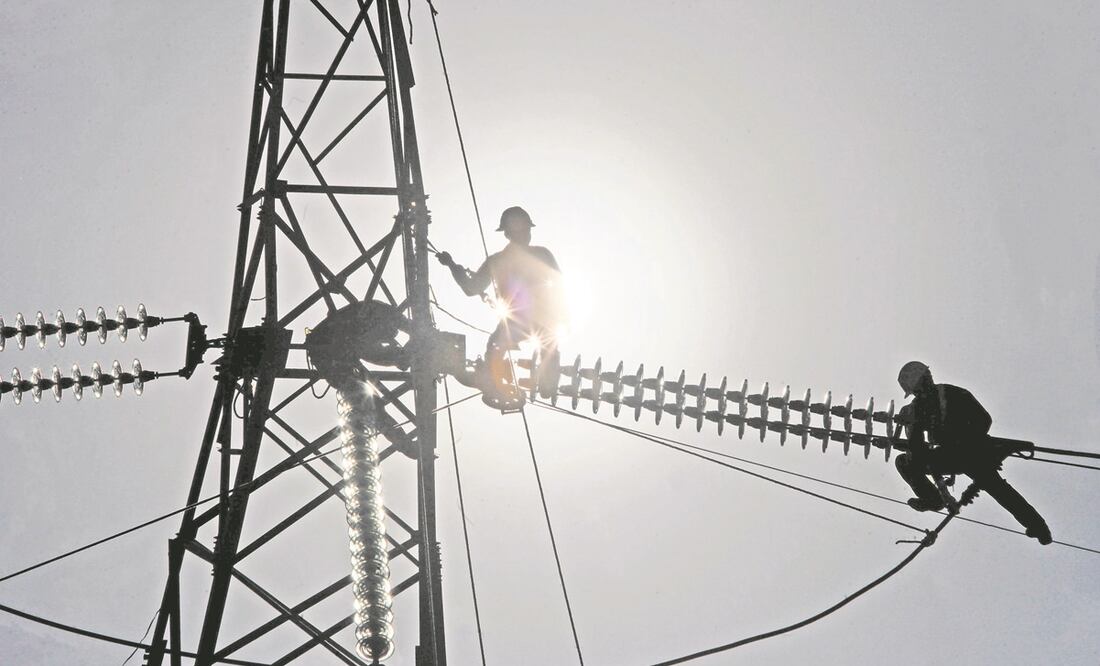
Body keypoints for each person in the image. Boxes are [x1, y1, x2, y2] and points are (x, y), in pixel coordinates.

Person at [894, 361, 1052, 545]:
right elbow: (918, 450)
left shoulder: (952, 394)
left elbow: (984, 420)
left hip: (972, 452)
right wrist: (910, 438)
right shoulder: (916, 409)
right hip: (952, 455)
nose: (920, 390)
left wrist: (964, 441)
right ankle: (933, 499)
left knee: (997, 488)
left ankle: (1039, 527)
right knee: (905, 461)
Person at [436, 206, 565, 404]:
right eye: (522, 230)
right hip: (528, 320)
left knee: (501, 345)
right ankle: (502, 381)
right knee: (503, 345)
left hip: (528, 320)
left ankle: (510, 380)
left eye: (527, 230)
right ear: (508, 233)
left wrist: (452, 266)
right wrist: (452, 266)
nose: (526, 234)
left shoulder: (508, 259)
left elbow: (472, 287)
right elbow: (472, 288)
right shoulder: (518, 258)